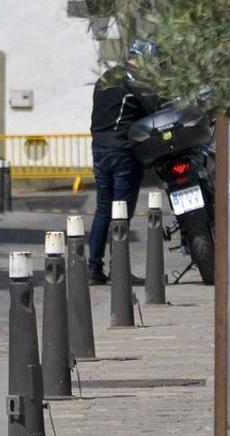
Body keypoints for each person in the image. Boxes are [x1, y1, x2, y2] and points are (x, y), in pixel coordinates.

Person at [87, 40, 162, 285]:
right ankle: (119, 269)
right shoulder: (135, 80)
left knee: (103, 209)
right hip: (123, 151)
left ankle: (93, 268)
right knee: (121, 212)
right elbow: (154, 108)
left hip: (99, 148)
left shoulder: (107, 77)